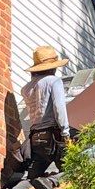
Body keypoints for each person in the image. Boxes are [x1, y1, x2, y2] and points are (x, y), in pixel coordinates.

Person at [18, 43, 71, 179]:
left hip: (35, 136)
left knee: (34, 174)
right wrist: (65, 134)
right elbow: (59, 108)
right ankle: (51, 182)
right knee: (70, 168)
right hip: (53, 134)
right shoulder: (53, 81)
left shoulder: (26, 88)